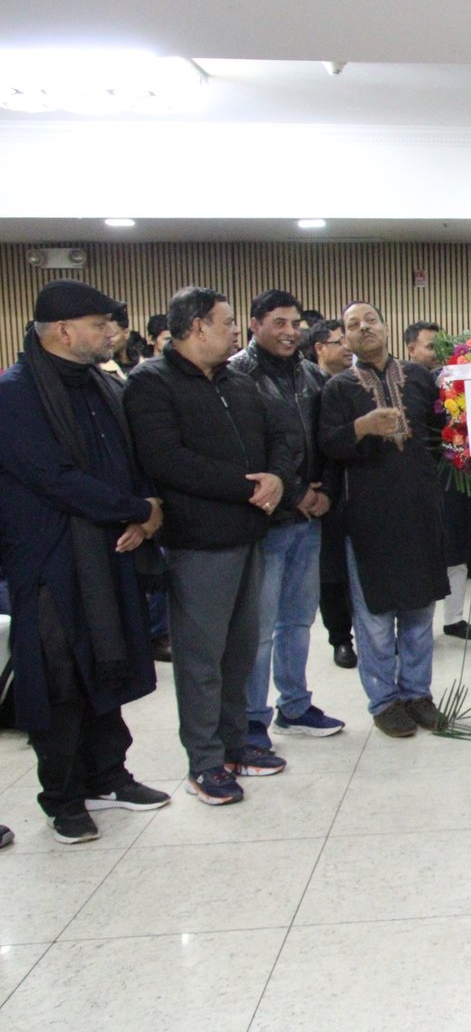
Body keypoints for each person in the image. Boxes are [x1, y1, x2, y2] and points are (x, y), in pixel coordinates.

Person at [0, 279, 171, 843]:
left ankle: (109, 776)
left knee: (107, 665)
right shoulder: (16, 394)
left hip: (107, 548)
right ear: (63, 330)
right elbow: (53, 477)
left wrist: (146, 512)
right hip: (50, 562)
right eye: (99, 325)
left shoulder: (100, 384)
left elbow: (130, 459)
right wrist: (135, 509)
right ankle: (63, 798)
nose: (110, 334)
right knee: (61, 680)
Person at [125, 286, 294, 804]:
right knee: (201, 659)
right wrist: (248, 488)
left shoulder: (237, 382)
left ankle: (236, 744)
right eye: (227, 322)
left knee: (239, 653)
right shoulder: (152, 383)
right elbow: (167, 460)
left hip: (249, 535)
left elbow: (283, 433)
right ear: (197, 326)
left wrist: (277, 478)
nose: (236, 331)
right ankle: (205, 761)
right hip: (198, 543)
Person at [321, 301, 451, 737]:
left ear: (386, 326)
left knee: (419, 611)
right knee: (375, 619)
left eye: (370, 320)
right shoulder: (338, 388)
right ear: (345, 337)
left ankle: (417, 694)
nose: (364, 328)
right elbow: (328, 445)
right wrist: (361, 427)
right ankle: (384, 702)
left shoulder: (418, 377)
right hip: (368, 516)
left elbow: (443, 432)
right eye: (353, 325)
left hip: (420, 510)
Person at [229, 289, 346, 750]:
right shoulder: (237, 375)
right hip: (266, 519)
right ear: (254, 324)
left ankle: (294, 705)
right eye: (278, 322)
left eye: (295, 323)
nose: (289, 332)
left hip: (309, 518)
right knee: (259, 629)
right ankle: (252, 718)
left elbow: (327, 440)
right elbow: (247, 451)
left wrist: (325, 493)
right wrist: (297, 494)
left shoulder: (311, 373)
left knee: (298, 621)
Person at [305, 318, 359, 666]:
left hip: (360, 489)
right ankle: (341, 638)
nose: (347, 347)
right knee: (333, 573)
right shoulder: (308, 387)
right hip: (326, 494)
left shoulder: (357, 383)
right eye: (339, 341)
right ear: (320, 348)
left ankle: (375, 636)